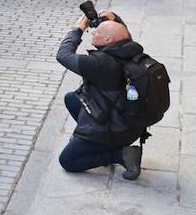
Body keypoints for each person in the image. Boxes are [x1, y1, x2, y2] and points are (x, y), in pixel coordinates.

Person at [56, 10, 146, 179]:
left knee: (67, 161)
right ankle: (103, 144)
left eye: (97, 32)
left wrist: (77, 30)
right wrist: (115, 19)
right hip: (129, 123)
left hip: (114, 128)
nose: (93, 31)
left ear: (108, 40)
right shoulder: (129, 49)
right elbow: (122, 33)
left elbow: (63, 55)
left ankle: (119, 154)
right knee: (72, 98)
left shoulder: (100, 63)